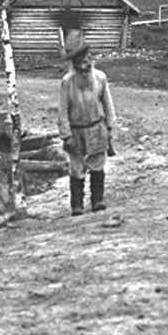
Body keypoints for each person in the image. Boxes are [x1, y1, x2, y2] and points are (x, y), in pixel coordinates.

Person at [57, 31, 117, 215]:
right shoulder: (67, 82)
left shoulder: (100, 78)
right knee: (77, 168)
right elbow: (62, 110)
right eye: (81, 63)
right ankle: (77, 205)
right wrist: (66, 135)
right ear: (74, 65)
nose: (86, 66)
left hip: (96, 128)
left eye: (88, 61)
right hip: (76, 131)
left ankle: (97, 200)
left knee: (98, 164)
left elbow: (108, 104)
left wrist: (110, 127)